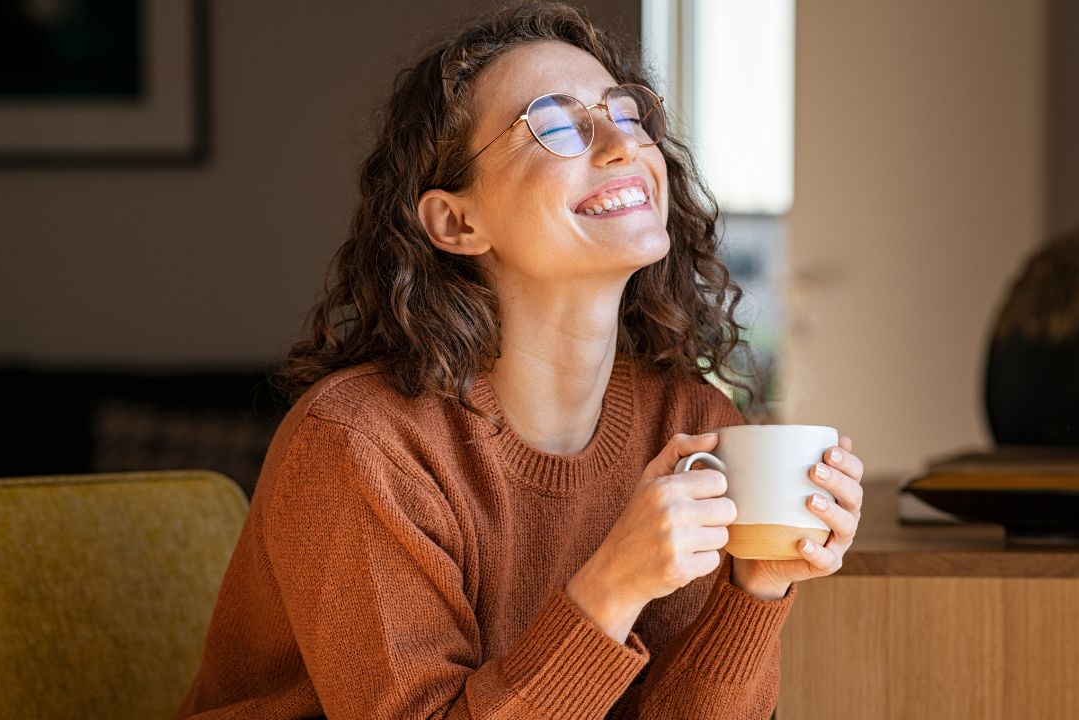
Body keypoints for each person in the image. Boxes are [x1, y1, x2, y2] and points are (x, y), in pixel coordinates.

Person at [175, 3, 864, 718]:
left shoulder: (690, 423)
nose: (622, 145)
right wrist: (611, 589)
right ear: (457, 222)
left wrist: (755, 587)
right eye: (558, 125)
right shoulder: (360, 445)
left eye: (625, 115)